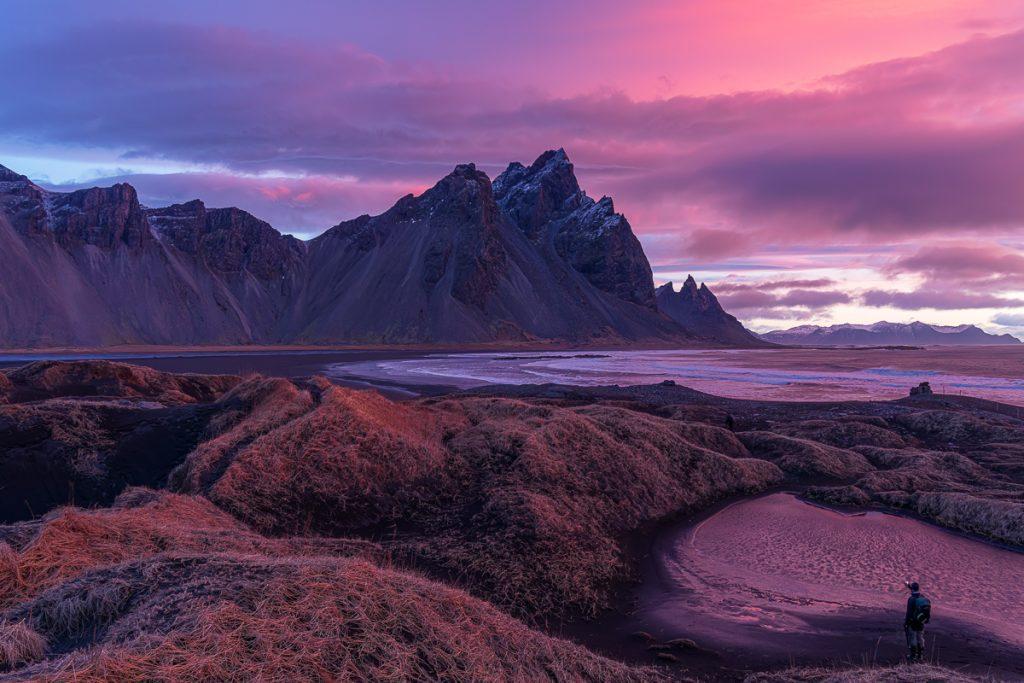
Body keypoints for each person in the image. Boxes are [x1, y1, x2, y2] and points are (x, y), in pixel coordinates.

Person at [903, 581, 931, 663]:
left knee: (913, 638)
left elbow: (909, 613)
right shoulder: (922, 597)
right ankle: (920, 655)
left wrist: (906, 623)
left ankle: (913, 656)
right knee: (920, 638)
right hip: (921, 621)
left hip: (912, 622)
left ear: (912, 590)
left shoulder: (911, 599)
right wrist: (908, 585)